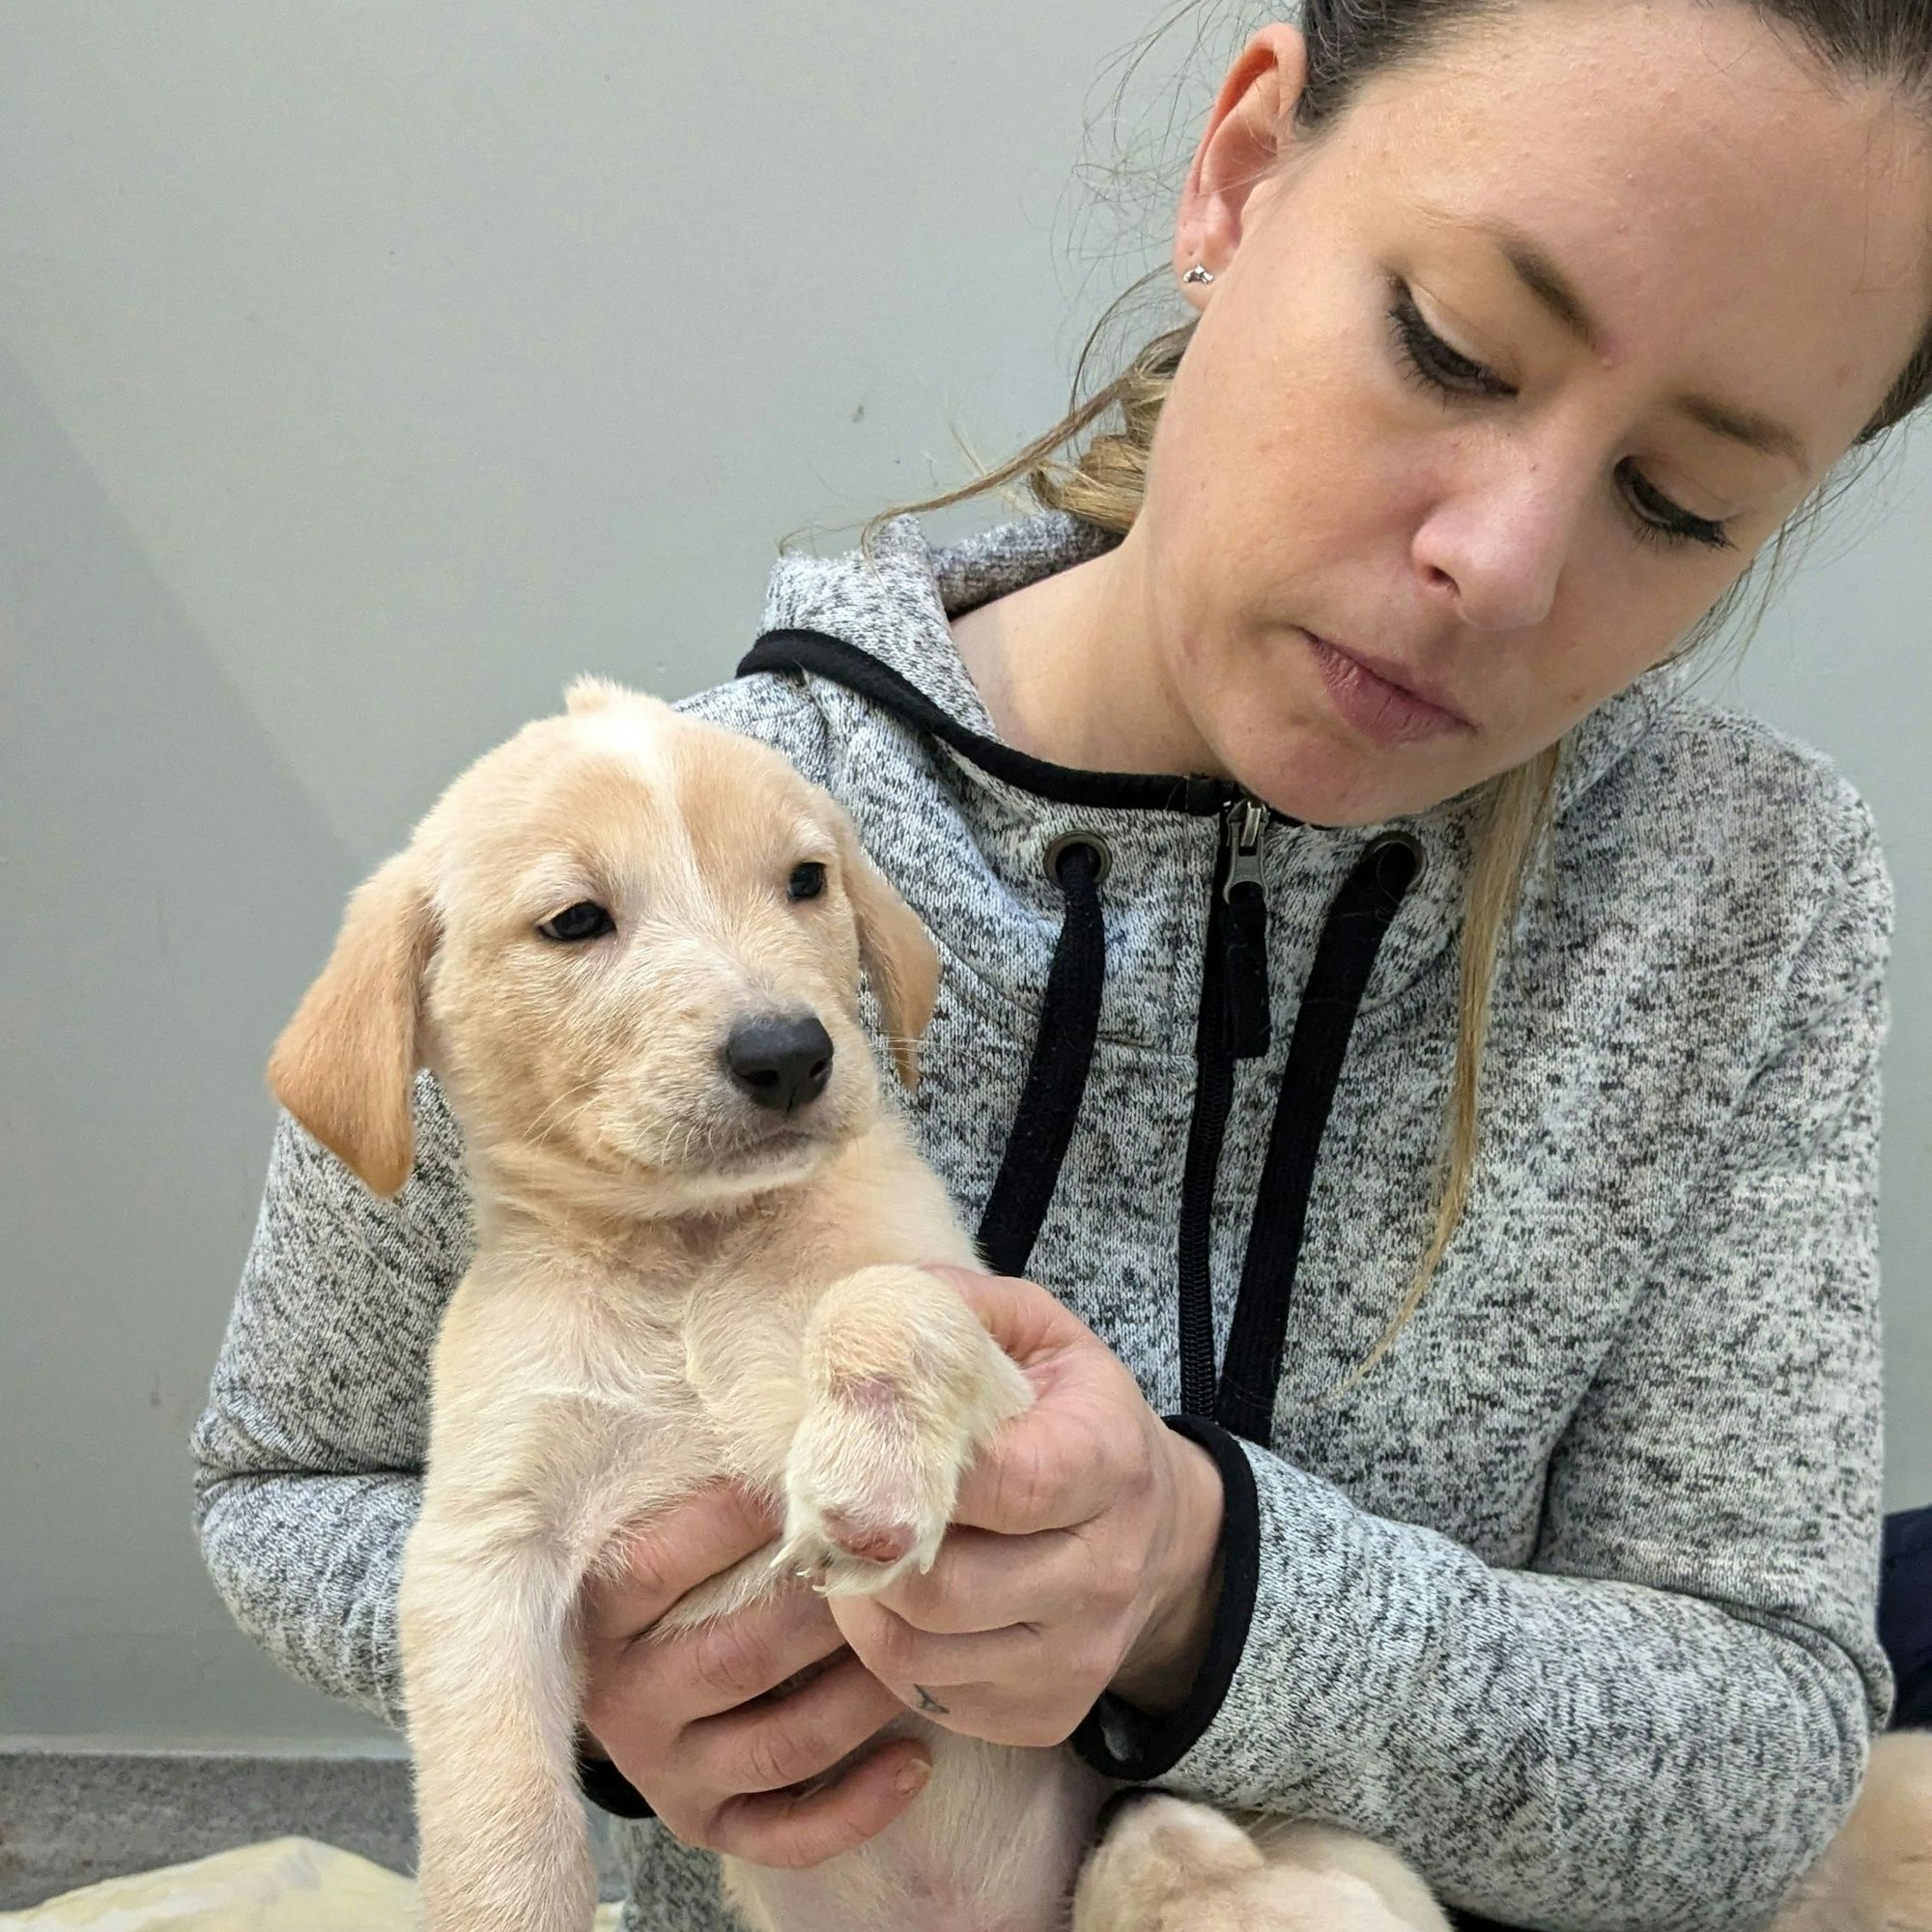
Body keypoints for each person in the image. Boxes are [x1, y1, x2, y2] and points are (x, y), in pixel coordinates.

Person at [191, 2, 1932, 1927]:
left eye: (1680, 500)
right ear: (1241, 173)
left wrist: (1210, 1587)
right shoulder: (649, 854)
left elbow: (1770, 1753)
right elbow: (284, 1494)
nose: (1500, 565)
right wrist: (606, 1676)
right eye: (1450, 345)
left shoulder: (1742, 888)